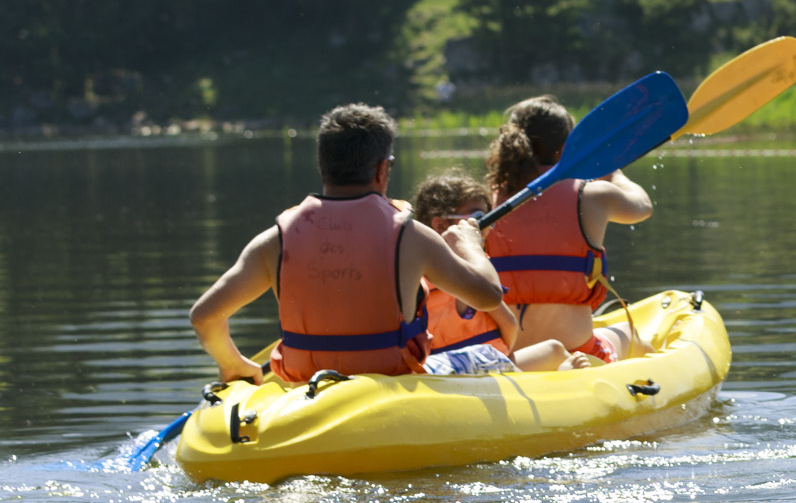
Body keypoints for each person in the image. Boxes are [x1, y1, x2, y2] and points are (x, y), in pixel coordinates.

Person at [189, 105, 511, 385]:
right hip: (392, 380)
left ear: (323, 165)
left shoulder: (275, 240)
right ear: (383, 169)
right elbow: (488, 296)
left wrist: (233, 363)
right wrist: (469, 244)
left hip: (306, 383)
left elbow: (204, 316)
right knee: (488, 355)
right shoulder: (412, 236)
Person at [481, 96, 654, 362]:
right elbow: (643, 207)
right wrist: (613, 173)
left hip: (514, 357)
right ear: (566, 149)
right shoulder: (593, 196)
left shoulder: (489, 201)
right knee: (631, 336)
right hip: (581, 351)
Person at [408, 174, 572, 375]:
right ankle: (565, 374)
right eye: (478, 219)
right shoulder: (475, 274)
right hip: (484, 368)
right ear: (440, 225)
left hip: (438, 369)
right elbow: (509, 326)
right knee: (555, 349)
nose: (484, 228)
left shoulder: (414, 276)